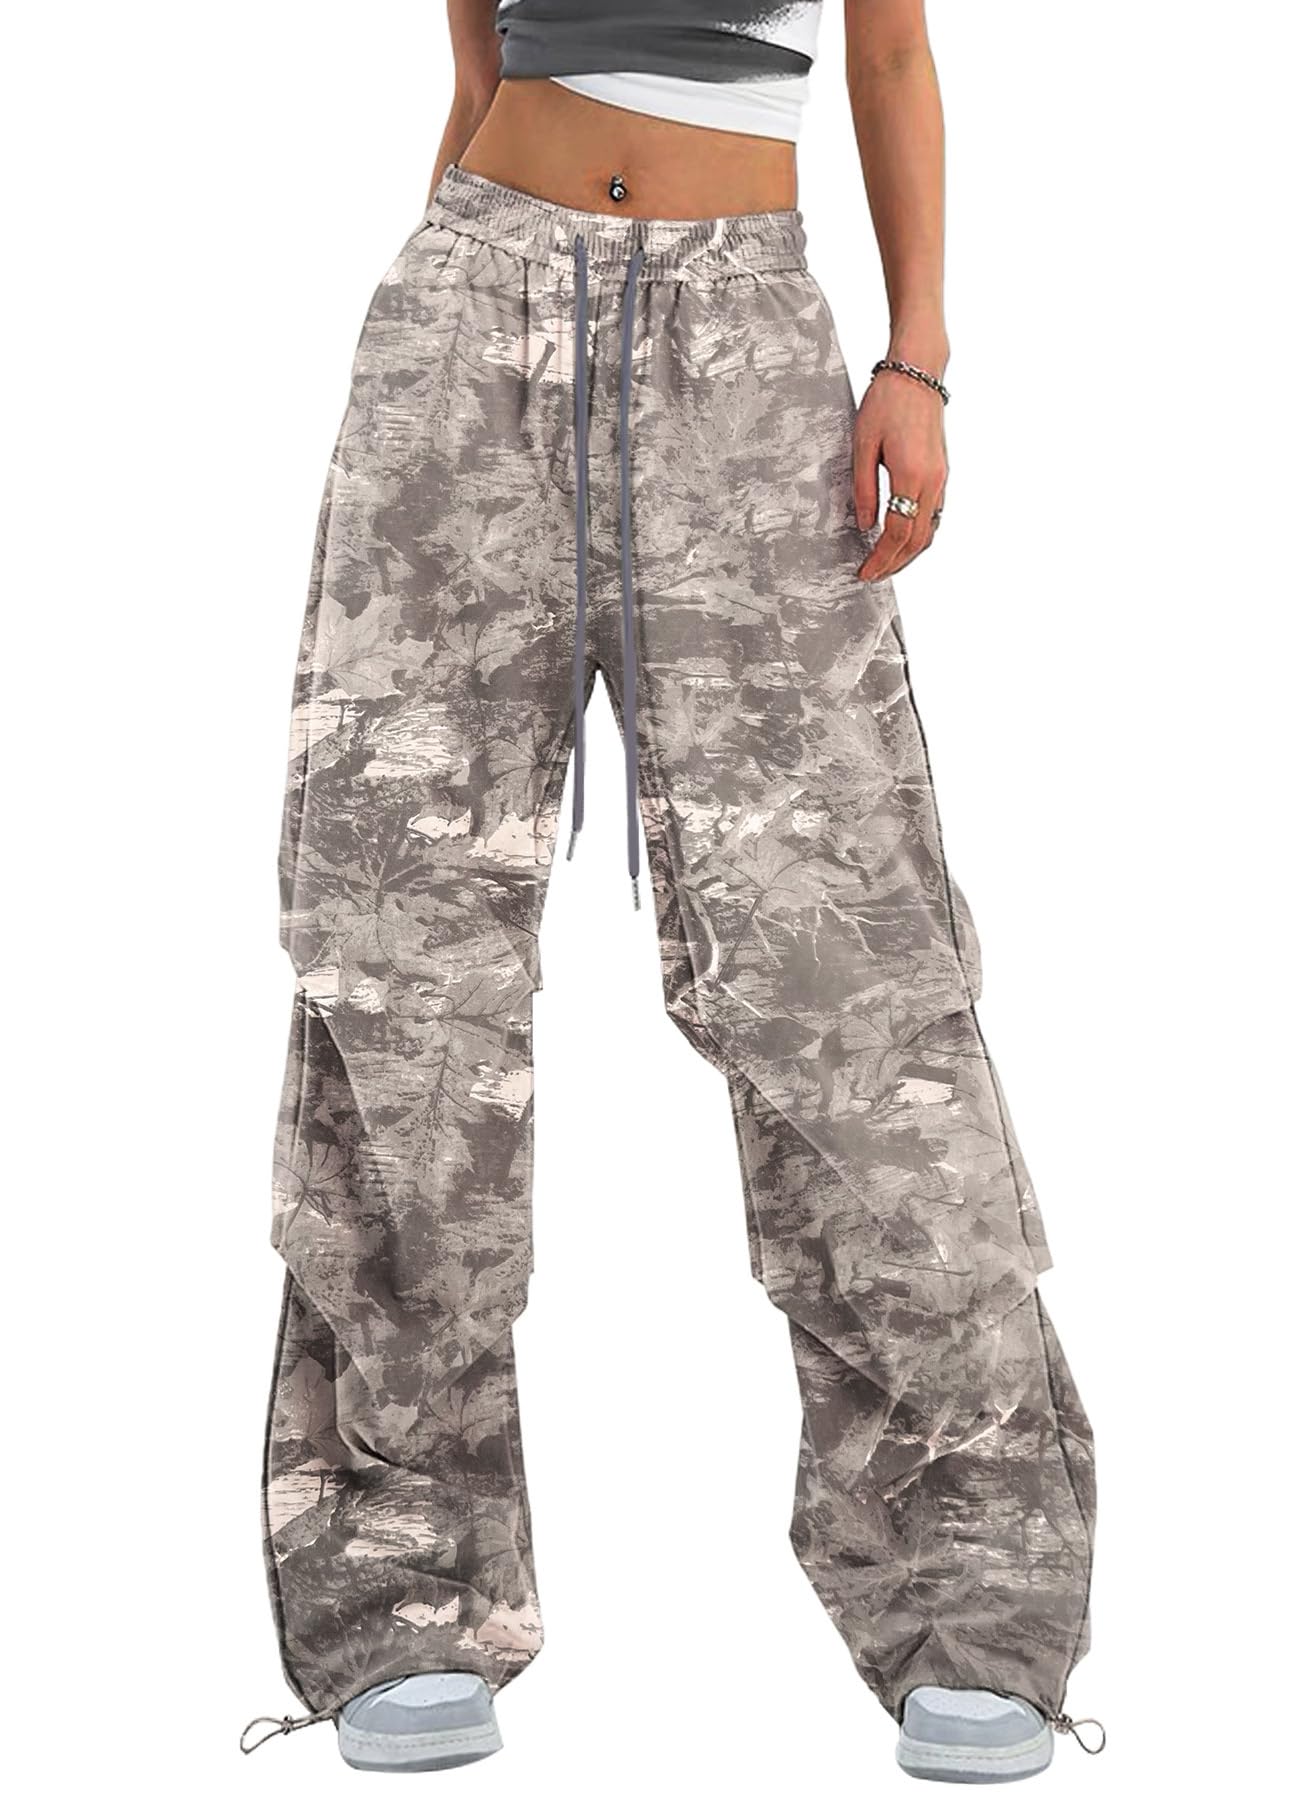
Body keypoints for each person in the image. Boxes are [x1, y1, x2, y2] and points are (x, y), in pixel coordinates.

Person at [246, 1, 1099, 1781]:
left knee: (854, 983)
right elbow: (480, 76)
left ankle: (971, 1586)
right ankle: (400, 1584)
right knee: (400, 969)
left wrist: (917, 357)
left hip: (748, 344)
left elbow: (887, 54)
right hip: (468, 323)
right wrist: (462, 363)